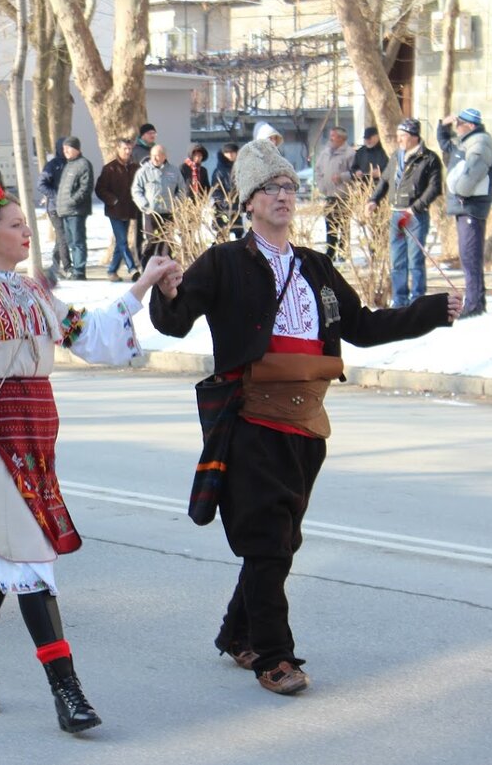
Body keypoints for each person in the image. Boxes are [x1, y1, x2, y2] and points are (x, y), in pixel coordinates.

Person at [149, 139, 461, 696]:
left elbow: (361, 327)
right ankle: (274, 656)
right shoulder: (223, 262)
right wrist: (165, 287)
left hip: (309, 422)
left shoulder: (315, 266)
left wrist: (430, 311)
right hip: (250, 420)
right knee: (267, 540)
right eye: (272, 188)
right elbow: (174, 322)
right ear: (249, 200)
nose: (284, 197)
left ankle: (235, 633)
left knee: (283, 541)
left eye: (291, 187)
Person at [0, 183, 176, 733]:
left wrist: (143, 283)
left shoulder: (33, 293)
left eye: (25, 223)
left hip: (36, 437)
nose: (25, 232)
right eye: (16, 224)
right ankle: (68, 693)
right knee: (29, 560)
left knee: (1, 566)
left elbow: (90, 335)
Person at [367, 119, 443, 308]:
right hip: (396, 214)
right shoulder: (396, 156)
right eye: (398, 135)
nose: (399, 139)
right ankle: (399, 300)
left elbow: (434, 188)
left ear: (414, 137)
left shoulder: (429, 158)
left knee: (415, 259)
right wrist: (373, 200)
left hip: (415, 215)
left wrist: (415, 207)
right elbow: (384, 181)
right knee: (397, 259)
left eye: (403, 136)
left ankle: (417, 300)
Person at [437, 108, 492, 319]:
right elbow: (445, 144)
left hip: (470, 206)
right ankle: (476, 301)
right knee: (469, 255)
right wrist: (443, 124)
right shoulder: (466, 140)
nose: (456, 127)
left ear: (469, 125)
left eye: (458, 124)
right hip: (465, 207)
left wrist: (460, 190)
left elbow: (475, 171)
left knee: (470, 256)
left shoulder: (479, 142)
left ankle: (473, 304)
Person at [95, 138, 140, 281]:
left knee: (120, 242)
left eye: (129, 149)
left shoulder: (135, 167)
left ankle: (112, 270)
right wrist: (112, 200)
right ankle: (132, 269)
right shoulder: (110, 168)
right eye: (125, 149)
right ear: (118, 149)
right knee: (122, 241)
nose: (127, 151)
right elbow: (100, 189)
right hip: (115, 211)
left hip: (129, 210)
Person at [313, 126, 356, 259]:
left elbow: (355, 173)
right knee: (330, 225)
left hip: (343, 196)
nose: (331, 138)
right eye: (330, 135)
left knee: (343, 225)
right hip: (329, 195)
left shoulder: (350, 153)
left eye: (334, 136)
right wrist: (321, 186)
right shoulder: (325, 153)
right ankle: (330, 251)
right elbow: (318, 170)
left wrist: (342, 177)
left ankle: (343, 252)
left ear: (342, 138)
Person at [131, 144, 183, 253]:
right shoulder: (143, 171)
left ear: (164, 156)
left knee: (167, 243)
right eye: (152, 155)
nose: (155, 158)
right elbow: (136, 190)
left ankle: (164, 266)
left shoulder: (174, 171)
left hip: (169, 213)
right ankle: (147, 266)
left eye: (158, 155)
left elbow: (182, 189)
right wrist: (145, 205)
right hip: (151, 213)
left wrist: (176, 202)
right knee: (153, 241)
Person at [55, 136, 94, 280]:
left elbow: (86, 187)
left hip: (76, 211)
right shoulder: (68, 164)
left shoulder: (83, 164)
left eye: (68, 148)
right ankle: (75, 269)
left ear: (77, 149)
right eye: (64, 148)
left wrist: (72, 201)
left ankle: (79, 271)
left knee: (78, 242)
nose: (65, 151)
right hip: (65, 210)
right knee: (71, 242)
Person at [36, 140, 70, 278]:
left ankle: (54, 267)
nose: (67, 150)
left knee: (61, 239)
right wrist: (57, 196)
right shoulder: (52, 165)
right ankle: (68, 268)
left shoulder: (72, 163)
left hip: (69, 207)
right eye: (64, 148)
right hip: (54, 208)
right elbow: (41, 184)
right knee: (63, 237)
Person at [211, 143, 242, 240]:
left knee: (239, 234)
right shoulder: (219, 171)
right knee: (222, 234)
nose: (231, 155)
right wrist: (225, 201)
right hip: (223, 208)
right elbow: (215, 191)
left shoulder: (241, 168)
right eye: (227, 152)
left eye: (233, 152)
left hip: (238, 208)